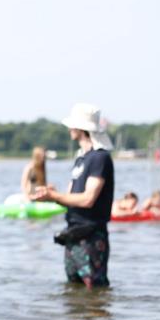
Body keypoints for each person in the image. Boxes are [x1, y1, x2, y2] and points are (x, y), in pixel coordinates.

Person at [31, 103, 114, 289]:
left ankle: (98, 319)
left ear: (81, 128)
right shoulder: (81, 158)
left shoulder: (99, 158)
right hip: (73, 234)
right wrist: (50, 194)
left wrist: (55, 196)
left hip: (92, 236)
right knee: (73, 292)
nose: (69, 128)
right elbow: (69, 198)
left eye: (72, 125)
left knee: (96, 291)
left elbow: (88, 199)